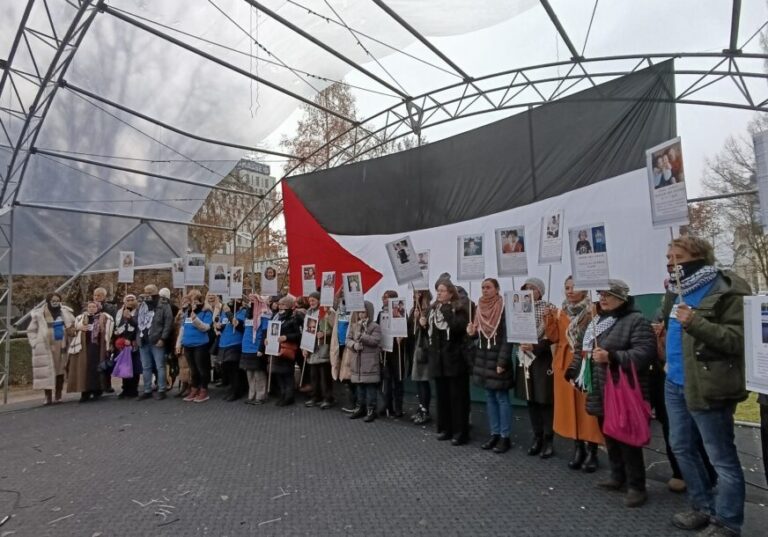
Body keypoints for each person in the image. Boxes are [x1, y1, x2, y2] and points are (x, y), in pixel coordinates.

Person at [660, 236, 751, 536]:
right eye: (668, 257)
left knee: (721, 457)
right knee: (682, 447)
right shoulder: (674, 291)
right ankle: (702, 507)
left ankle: (728, 522)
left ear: (698, 257)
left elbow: (738, 341)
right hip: (674, 382)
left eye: (677, 257)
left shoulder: (728, 288)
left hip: (709, 385)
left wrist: (696, 322)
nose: (671, 262)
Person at [574, 279, 656, 508]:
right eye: (600, 294)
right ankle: (617, 475)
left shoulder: (636, 321)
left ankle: (637, 485)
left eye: (608, 295)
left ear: (621, 298)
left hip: (623, 389)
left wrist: (612, 357)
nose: (603, 298)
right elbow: (584, 349)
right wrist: (575, 372)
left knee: (628, 439)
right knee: (609, 435)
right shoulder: (597, 321)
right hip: (601, 389)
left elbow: (644, 353)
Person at [546, 277, 603, 472]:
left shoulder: (593, 311)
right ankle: (577, 448)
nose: (569, 291)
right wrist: (549, 320)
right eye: (566, 287)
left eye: (574, 288)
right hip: (564, 364)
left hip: (585, 364)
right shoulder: (560, 311)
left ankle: (593, 450)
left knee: (587, 408)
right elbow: (554, 337)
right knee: (570, 408)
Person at [468, 278, 513, 454]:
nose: (485, 291)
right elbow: (477, 335)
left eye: (488, 287)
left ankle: (505, 436)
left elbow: (507, 337)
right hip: (483, 358)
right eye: (482, 288)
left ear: (497, 289)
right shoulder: (479, 308)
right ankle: (494, 433)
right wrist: (472, 333)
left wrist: (502, 361)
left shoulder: (503, 308)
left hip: (497, 359)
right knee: (489, 397)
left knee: (502, 398)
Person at [514, 277, 557, 458]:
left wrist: (535, 347)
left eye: (533, 288)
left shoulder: (549, 309)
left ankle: (548, 439)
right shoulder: (518, 309)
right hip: (525, 359)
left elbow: (553, 337)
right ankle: (537, 437)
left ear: (540, 291)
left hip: (542, 360)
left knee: (544, 401)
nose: (529, 291)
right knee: (531, 400)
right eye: (526, 288)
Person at [426, 276, 470, 445]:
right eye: (437, 290)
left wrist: (445, 310)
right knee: (442, 397)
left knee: (457, 399)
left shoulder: (458, 309)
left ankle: (460, 432)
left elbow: (458, 328)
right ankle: (445, 428)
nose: (439, 293)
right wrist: (424, 324)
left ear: (451, 293)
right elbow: (429, 336)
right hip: (439, 361)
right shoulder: (432, 311)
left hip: (455, 361)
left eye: (442, 290)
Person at [26, 293, 76, 405]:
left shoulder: (65, 312)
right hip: (46, 346)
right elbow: (31, 330)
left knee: (60, 370)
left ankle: (58, 396)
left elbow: (73, 325)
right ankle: (47, 397)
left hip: (62, 345)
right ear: (48, 301)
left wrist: (71, 333)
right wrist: (35, 343)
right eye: (53, 300)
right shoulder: (39, 314)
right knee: (47, 371)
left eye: (57, 300)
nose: (55, 302)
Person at [67, 301, 114, 402]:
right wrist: (78, 328)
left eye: (94, 307)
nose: (92, 308)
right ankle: (85, 392)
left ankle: (97, 390)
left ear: (98, 308)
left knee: (97, 369)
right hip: (84, 348)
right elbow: (70, 331)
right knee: (84, 370)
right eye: (90, 307)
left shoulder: (104, 317)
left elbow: (110, 329)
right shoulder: (80, 318)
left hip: (98, 348)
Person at [346, 300, 382, 422]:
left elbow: (375, 341)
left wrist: (363, 337)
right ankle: (359, 407)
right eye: (359, 312)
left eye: (363, 312)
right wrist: (354, 345)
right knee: (359, 387)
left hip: (369, 362)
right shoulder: (355, 325)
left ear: (369, 312)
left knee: (370, 388)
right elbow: (348, 340)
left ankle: (371, 409)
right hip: (357, 362)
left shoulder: (375, 326)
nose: (361, 314)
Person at [136, 284, 173, 401]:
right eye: (146, 292)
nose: (147, 294)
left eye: (150, 292)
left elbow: (168, 323)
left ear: (156, 292)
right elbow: (137, 321)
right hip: (143, 339)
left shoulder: (163, 305)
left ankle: (162, 389)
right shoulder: (141, 305)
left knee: (160, 366)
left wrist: (163, 338)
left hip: (157, 340)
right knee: (146, 367)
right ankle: (147, 390)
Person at [179, 289, 214, 403]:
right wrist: (179, 343)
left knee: (201, 369)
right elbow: (183, 328)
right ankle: (194, 389)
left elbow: (205, 327)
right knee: (193, 369)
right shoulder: (187, 311)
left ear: (199, 299)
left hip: (200, 344)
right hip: (188, 344)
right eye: (190, 298)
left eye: (194, 298)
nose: (192, 300)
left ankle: (203, 390)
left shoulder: (206, 312)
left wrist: (195, 318)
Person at [304, 292, 335, 409]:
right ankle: (315, 396)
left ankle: (328, 398)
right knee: (314, 376)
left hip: (323, 348)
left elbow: (334, 328)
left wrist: (324, 333)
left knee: (325, 376)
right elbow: (306, 331)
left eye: (313, 300)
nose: (311, 303)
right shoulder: (309, 312)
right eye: (310, 301)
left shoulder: (327, 312)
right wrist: (304, 347)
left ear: (319, 300)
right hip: (312, 349)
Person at [377, 290, 405, 418]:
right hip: (385, 351)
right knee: (386, 381)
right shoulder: (380, 313)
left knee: (397, 381)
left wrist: (402, 338)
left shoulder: (400, 313)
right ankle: (387, 406)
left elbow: (406, 331)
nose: (384, 299)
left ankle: (398, 408)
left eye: (386, 297)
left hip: (396, 351)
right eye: (383, 297)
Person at [271, 295, 302, 406]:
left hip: (287, 350)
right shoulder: (276, 317)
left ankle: (289, 396)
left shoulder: (293, 318)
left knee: (287, 374)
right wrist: (267, 339)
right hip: (276, 348)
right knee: (278, 373)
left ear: (288, 306)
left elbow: (298, 335)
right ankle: (283, 394)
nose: (280, 306)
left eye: (283, 304)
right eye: (280, 304)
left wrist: (286, 337)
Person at [240, 295, 270, 405]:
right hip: (246, 347)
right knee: (249, 374)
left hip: (256, 347)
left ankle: (260, 396)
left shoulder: (264, 314)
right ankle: (251, 395)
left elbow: (265, 333)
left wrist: (261, 348)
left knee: (259, 373)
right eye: (250, 301)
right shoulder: (247, 315)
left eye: (254, 301)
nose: (251, 303)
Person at [409, 289, 433, 424]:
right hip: (415, 348)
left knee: (423, 380)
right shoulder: (414, 310)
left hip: (423, 349)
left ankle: (425, 409)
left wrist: (421, 322)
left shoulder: (429, 310)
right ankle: (421, 406)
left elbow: (427, 331)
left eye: (418, 294)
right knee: (418, 380)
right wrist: (414, 318)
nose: (415, 297)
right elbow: (409, 327)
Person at [217, 298, 247, 401]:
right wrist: (219, 326)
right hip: (224, 343)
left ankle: (236, 391)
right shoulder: (224, 313)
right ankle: (232, 388)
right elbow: (223, 325)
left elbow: (238, 325)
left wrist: (228, 312)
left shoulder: (243, 312)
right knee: (226, 369)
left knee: (234, 369)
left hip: (235, 343)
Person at [113, 294, 141, 399]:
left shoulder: (138, 312)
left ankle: (133, 389)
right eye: (127, 300)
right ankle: (125, 389)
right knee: (123, 366)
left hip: (133, 342)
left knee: (134, 366)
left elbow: (138, 326)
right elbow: (117, 326)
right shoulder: (119, 312)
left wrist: (129, 318)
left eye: (132, 300)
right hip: (122, 342)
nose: (130, 302)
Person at [93, 287, 117, 392]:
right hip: (94, 340)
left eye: (99, 295)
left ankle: (107, 385)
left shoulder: (110, 308)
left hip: (106, 338)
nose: (97, 297)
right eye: (95, 295)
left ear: (104, 296)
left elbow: (114, 323)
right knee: (94, 362)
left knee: (106, 362)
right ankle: (96, 386)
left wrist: (112, 340)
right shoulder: (90, 307)